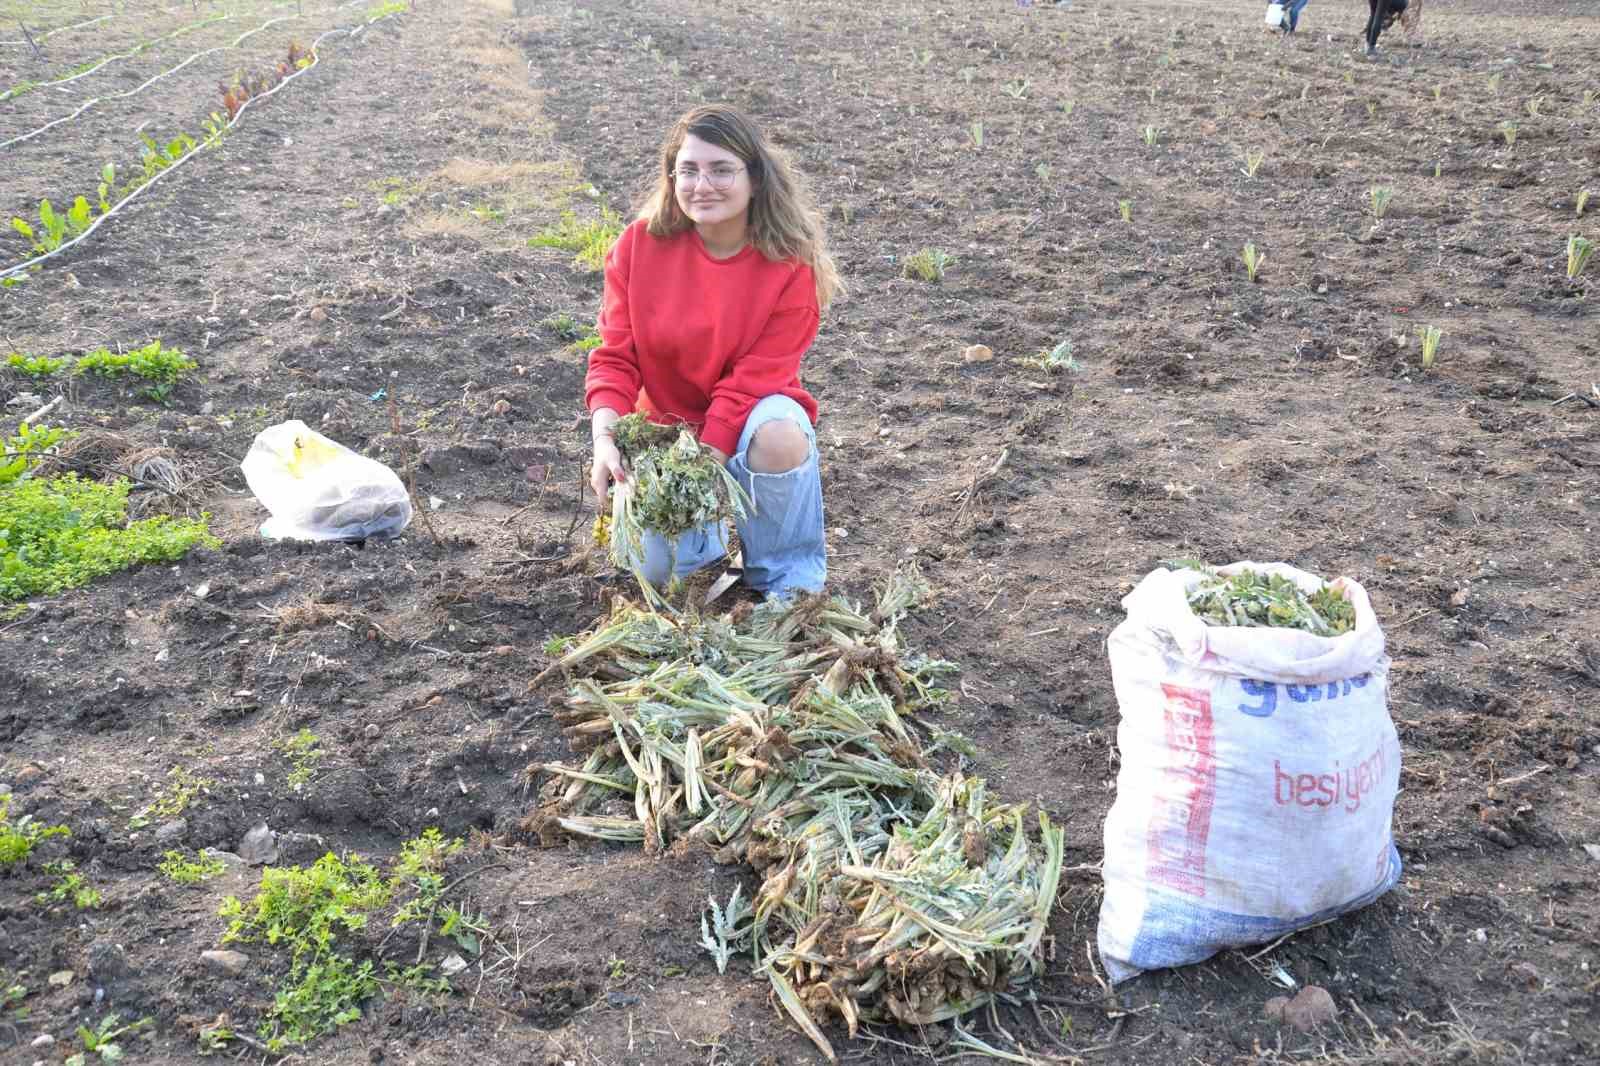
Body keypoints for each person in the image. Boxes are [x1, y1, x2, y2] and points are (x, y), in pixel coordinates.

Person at [584, 104, 843, 601]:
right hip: (663, 430)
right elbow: (615, 357)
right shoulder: (638, 247)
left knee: (781, 433)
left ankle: (786, 577)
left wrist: (710, 460)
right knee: (658, 573)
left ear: (755, 178)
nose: (703, 185)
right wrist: (605, 438)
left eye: (721, 169)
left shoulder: (789, 264)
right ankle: (707, 549)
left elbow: (754, 379)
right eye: (688, 170)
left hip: (747, 416)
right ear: (671, 176)